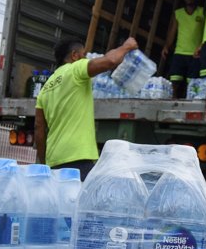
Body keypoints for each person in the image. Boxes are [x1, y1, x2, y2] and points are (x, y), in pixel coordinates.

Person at [35, 36, 138, 180]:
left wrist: (44, 164)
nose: (85, 58)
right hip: (78, 158)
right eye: (83, 55)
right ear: (74, 56)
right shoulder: (75, 69)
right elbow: (110, 61)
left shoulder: (45, 88)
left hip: (53, 160)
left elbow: (38, 128)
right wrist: (126, 46)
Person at [161, 0, 204, 99]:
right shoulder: (178, 13)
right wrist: (166, 46)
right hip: (179, 53)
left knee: (192, 85)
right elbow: (172, 32)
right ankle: (172, 104)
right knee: (174, 83)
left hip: (195, 54)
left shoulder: (202, 12)